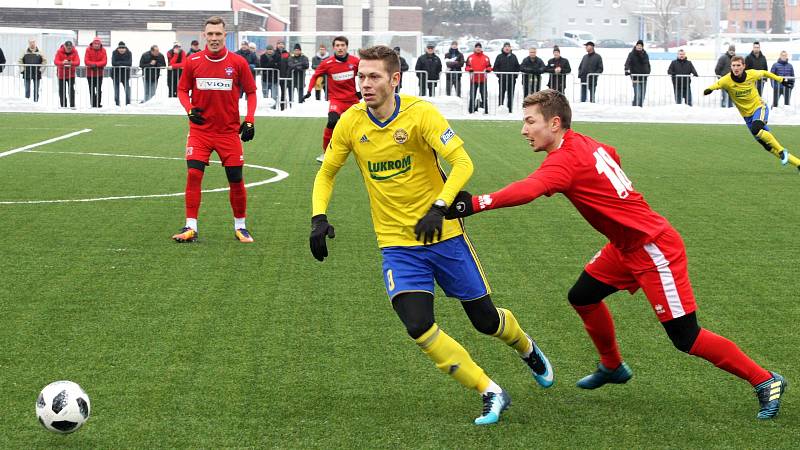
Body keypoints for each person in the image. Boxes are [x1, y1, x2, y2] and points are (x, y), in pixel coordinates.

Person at [445, 89, 787, 421]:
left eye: (530, 121)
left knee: (686, 336)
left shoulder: (565, 160)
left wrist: (475, 203)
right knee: (583, 296)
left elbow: (529, 189)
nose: (523, 130)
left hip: (653, 248)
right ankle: (612, 365)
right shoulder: (582, 143)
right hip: (625, 246)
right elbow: (611, 154)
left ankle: (764, 380)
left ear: (554, 123)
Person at [309, 45, 554, 425]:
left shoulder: (420, 114)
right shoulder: (351, 122)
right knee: (417, 324)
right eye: (361, 76)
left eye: (374, 77)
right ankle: (490, 390)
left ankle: (526, 347)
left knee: (485, 321)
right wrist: (318, 217)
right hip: (397, 245)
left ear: (395, 79)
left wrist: (439, 206)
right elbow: (326, 172)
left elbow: (462, 162)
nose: (365, 84)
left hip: (445, 237)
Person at [172, 16, 258, 244]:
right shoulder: (193, 61)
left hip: (228, 133)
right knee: (193, 174)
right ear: (204, 36)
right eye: (210, 34)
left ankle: (241, 226)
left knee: (236, 179)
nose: (214, 38)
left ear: (225, 36)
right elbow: (181, 91)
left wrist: (249, 120)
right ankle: (191, 226)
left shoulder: (238, 63)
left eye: (218, 34)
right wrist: (189, 109)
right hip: (200, 132)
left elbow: (251, 92)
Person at [704, 55, 798, 171]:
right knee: (766, 145)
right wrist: (708, 89)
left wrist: (781, 80)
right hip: (747, 117)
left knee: (756, 129)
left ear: (744, 66)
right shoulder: (726, 80)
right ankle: (798, 163)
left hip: (759, 108)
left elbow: (764, 73)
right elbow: (717, 84)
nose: (736, 68)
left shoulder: (751, 74)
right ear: (731, 67)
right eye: (733, 65)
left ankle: (781, 150)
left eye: (738, 65)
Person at [303, 36, 360, 163]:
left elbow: (365, 75)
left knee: (361, 126)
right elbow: (315, 76)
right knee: (332, 121)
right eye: (337, 45)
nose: (340, 48)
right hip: (336, 101)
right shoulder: (327, 63)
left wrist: (362, 92)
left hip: (352, 100)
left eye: (342, 45)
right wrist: (308, 91)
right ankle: (326, 153)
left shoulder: (355, 61)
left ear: (347, 47)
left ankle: (366, 153)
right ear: (334, 47)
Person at [493, 42, 520, 112]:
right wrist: (499, 75)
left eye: (508, 46)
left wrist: (515, 76)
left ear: (510, 48)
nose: (507, 48)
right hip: (502, 80)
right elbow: (495, 67)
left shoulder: (514, 57)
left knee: (510, 95)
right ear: (503, 48)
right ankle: (500, 109)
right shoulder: (499, 56)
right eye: (506, 47)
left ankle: (510, 110)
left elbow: (517, 67)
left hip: (511, 80)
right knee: (501, 94)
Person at [465, 42, 491, 114]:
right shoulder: (470, 57)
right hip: (473, 80)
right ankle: (471, 111)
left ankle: (486, 111)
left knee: (484, 96)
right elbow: (466, 67)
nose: (478, 48)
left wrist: (488, 69)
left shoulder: (486, 58)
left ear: (481, 48)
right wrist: (469, 69)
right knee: (472, 96)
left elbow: (489, 66)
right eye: (477, 47)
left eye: (479, 47)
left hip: (483, 80)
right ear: (475, 48)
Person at [624, 40, 650, 107]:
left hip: (644, 77)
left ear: (642, 47)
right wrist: (626, 70)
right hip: (635, 77)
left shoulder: (645, 54)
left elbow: (648, 64)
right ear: (636, 46)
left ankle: (640, 107)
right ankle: (635, 106)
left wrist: (648, 71)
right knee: (638, 94)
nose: (639, 47)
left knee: (642, 96)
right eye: (638, 45)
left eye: (640, 46)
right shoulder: (632, 54)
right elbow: (627, 63)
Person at [54, 41, 79, 108]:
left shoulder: (75, 51)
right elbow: (56, 61)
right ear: (64, 46)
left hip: (71, 75)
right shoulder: (59, 51)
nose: (69, 49)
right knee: (61, 91)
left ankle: (72, 105)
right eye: (67, 48)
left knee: (71, 91)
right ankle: (63, 106)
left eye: (70, 48)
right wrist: (62, 63)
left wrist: (71, 63)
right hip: (61, 75)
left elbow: (78, 62)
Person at [84, 37, 107, 108]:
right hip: (90, 74)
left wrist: (95, 65)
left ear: (100, 44)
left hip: (99, 74)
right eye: (95, 44)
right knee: (91, 89)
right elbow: (86, 61)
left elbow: (104, 61)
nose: (96, 45)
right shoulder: (88, 50)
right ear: (92, 44)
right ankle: (93, 104)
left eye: (98, 44)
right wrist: (93, 65)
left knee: (99, 89)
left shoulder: (103, 50)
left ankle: (98, 103)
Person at [110, 41, 132, 106]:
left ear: (125, 48)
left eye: (123, 48)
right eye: (120, 48)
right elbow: (113, 63)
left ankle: (128, 104)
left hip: (125, 75)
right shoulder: (114, 53)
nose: (122, 49)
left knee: (127, 91)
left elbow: (129, 63)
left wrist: (119, 63)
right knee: (116, 92)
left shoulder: (129, 53)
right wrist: (123, 63)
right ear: (118, 48)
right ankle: (117, 104)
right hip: (116, 74)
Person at [275, 41, 290, 110]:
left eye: (282, 44)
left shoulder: (286, 54)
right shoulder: (274, 53)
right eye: (279, 44)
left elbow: (289, 64)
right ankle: (273, 106)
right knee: (275, 92)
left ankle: (282, 107)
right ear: (277, 45)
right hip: (274, 76)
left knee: (283, 92)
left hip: (284, 76)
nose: (280, 45)